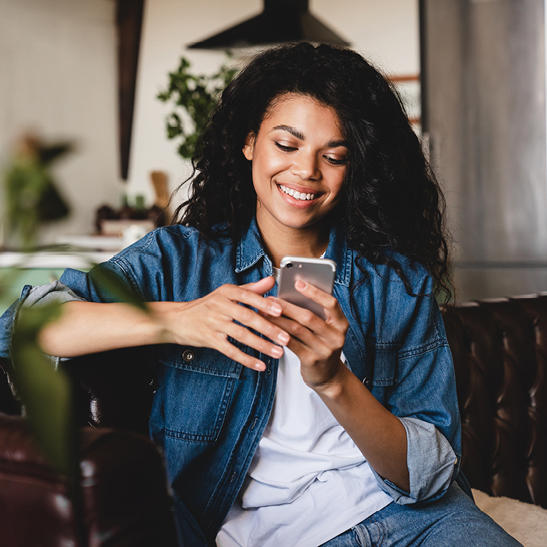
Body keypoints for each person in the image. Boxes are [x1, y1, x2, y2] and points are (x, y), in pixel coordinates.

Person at [0, 43, 521, 547]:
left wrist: (334, 380)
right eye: (286, 145)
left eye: (333, 156)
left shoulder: (393, 282)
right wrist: (178, 319)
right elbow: (25, 326)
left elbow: (428, 475)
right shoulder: (179, 261)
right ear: (250, 142)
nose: (306, 172)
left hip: (407, 519)